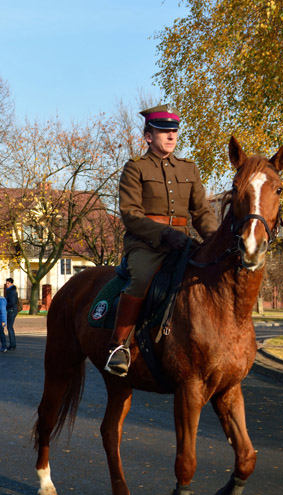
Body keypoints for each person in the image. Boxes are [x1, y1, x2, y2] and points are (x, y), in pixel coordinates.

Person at [104, 104, 219, 377]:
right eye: (163, 131)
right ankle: (118, 346)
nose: (170, 136)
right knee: (142, 277)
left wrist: (213, 240)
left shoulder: (189, 169)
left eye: (174, 131)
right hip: (146, 245)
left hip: (182, 243)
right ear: (148, 136)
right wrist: (163, 234)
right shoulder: (135, 168)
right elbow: (131, 214)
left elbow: (201, 211)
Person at [4, 278, 19, 350]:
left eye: (8, 283)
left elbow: (12, 302)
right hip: (12, 310)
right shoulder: (10, 291)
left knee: (9, 327)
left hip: (12, 310)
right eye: (6, 283)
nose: (7, 284)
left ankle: (12, 345)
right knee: (10, 327)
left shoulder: (12, 292)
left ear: (11, 283)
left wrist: (5, 305)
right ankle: (12, 344)